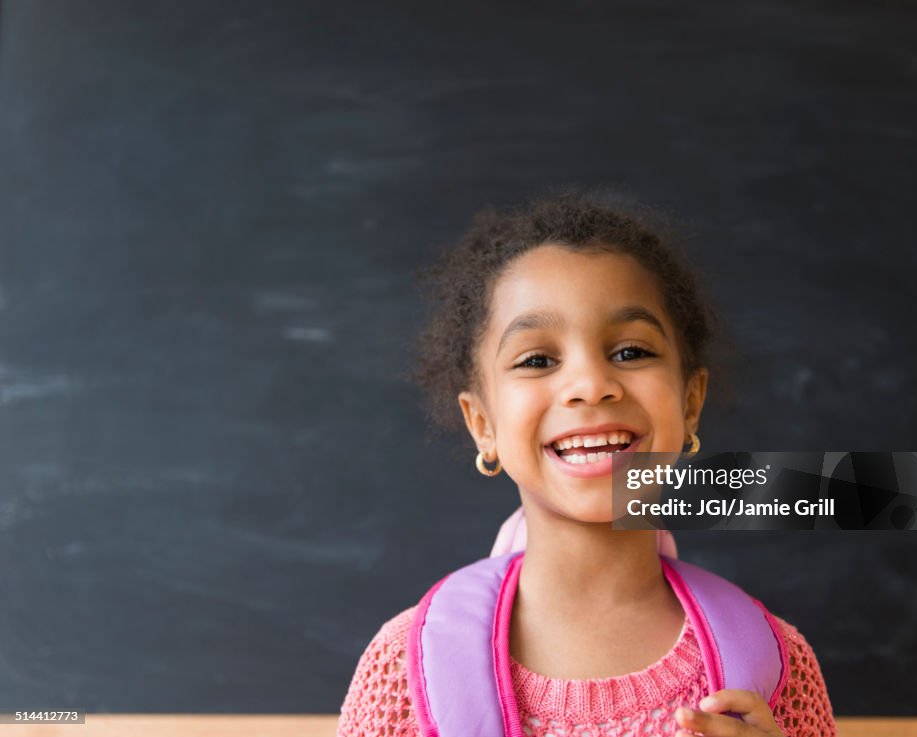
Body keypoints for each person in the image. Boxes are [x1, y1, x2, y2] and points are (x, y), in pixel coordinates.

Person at [337, 192, 837, 737]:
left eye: (630, 352)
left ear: (690, 403)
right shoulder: (405, 669)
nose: (591, 385)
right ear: (483, 424)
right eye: (536, 360)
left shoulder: (777, 664)